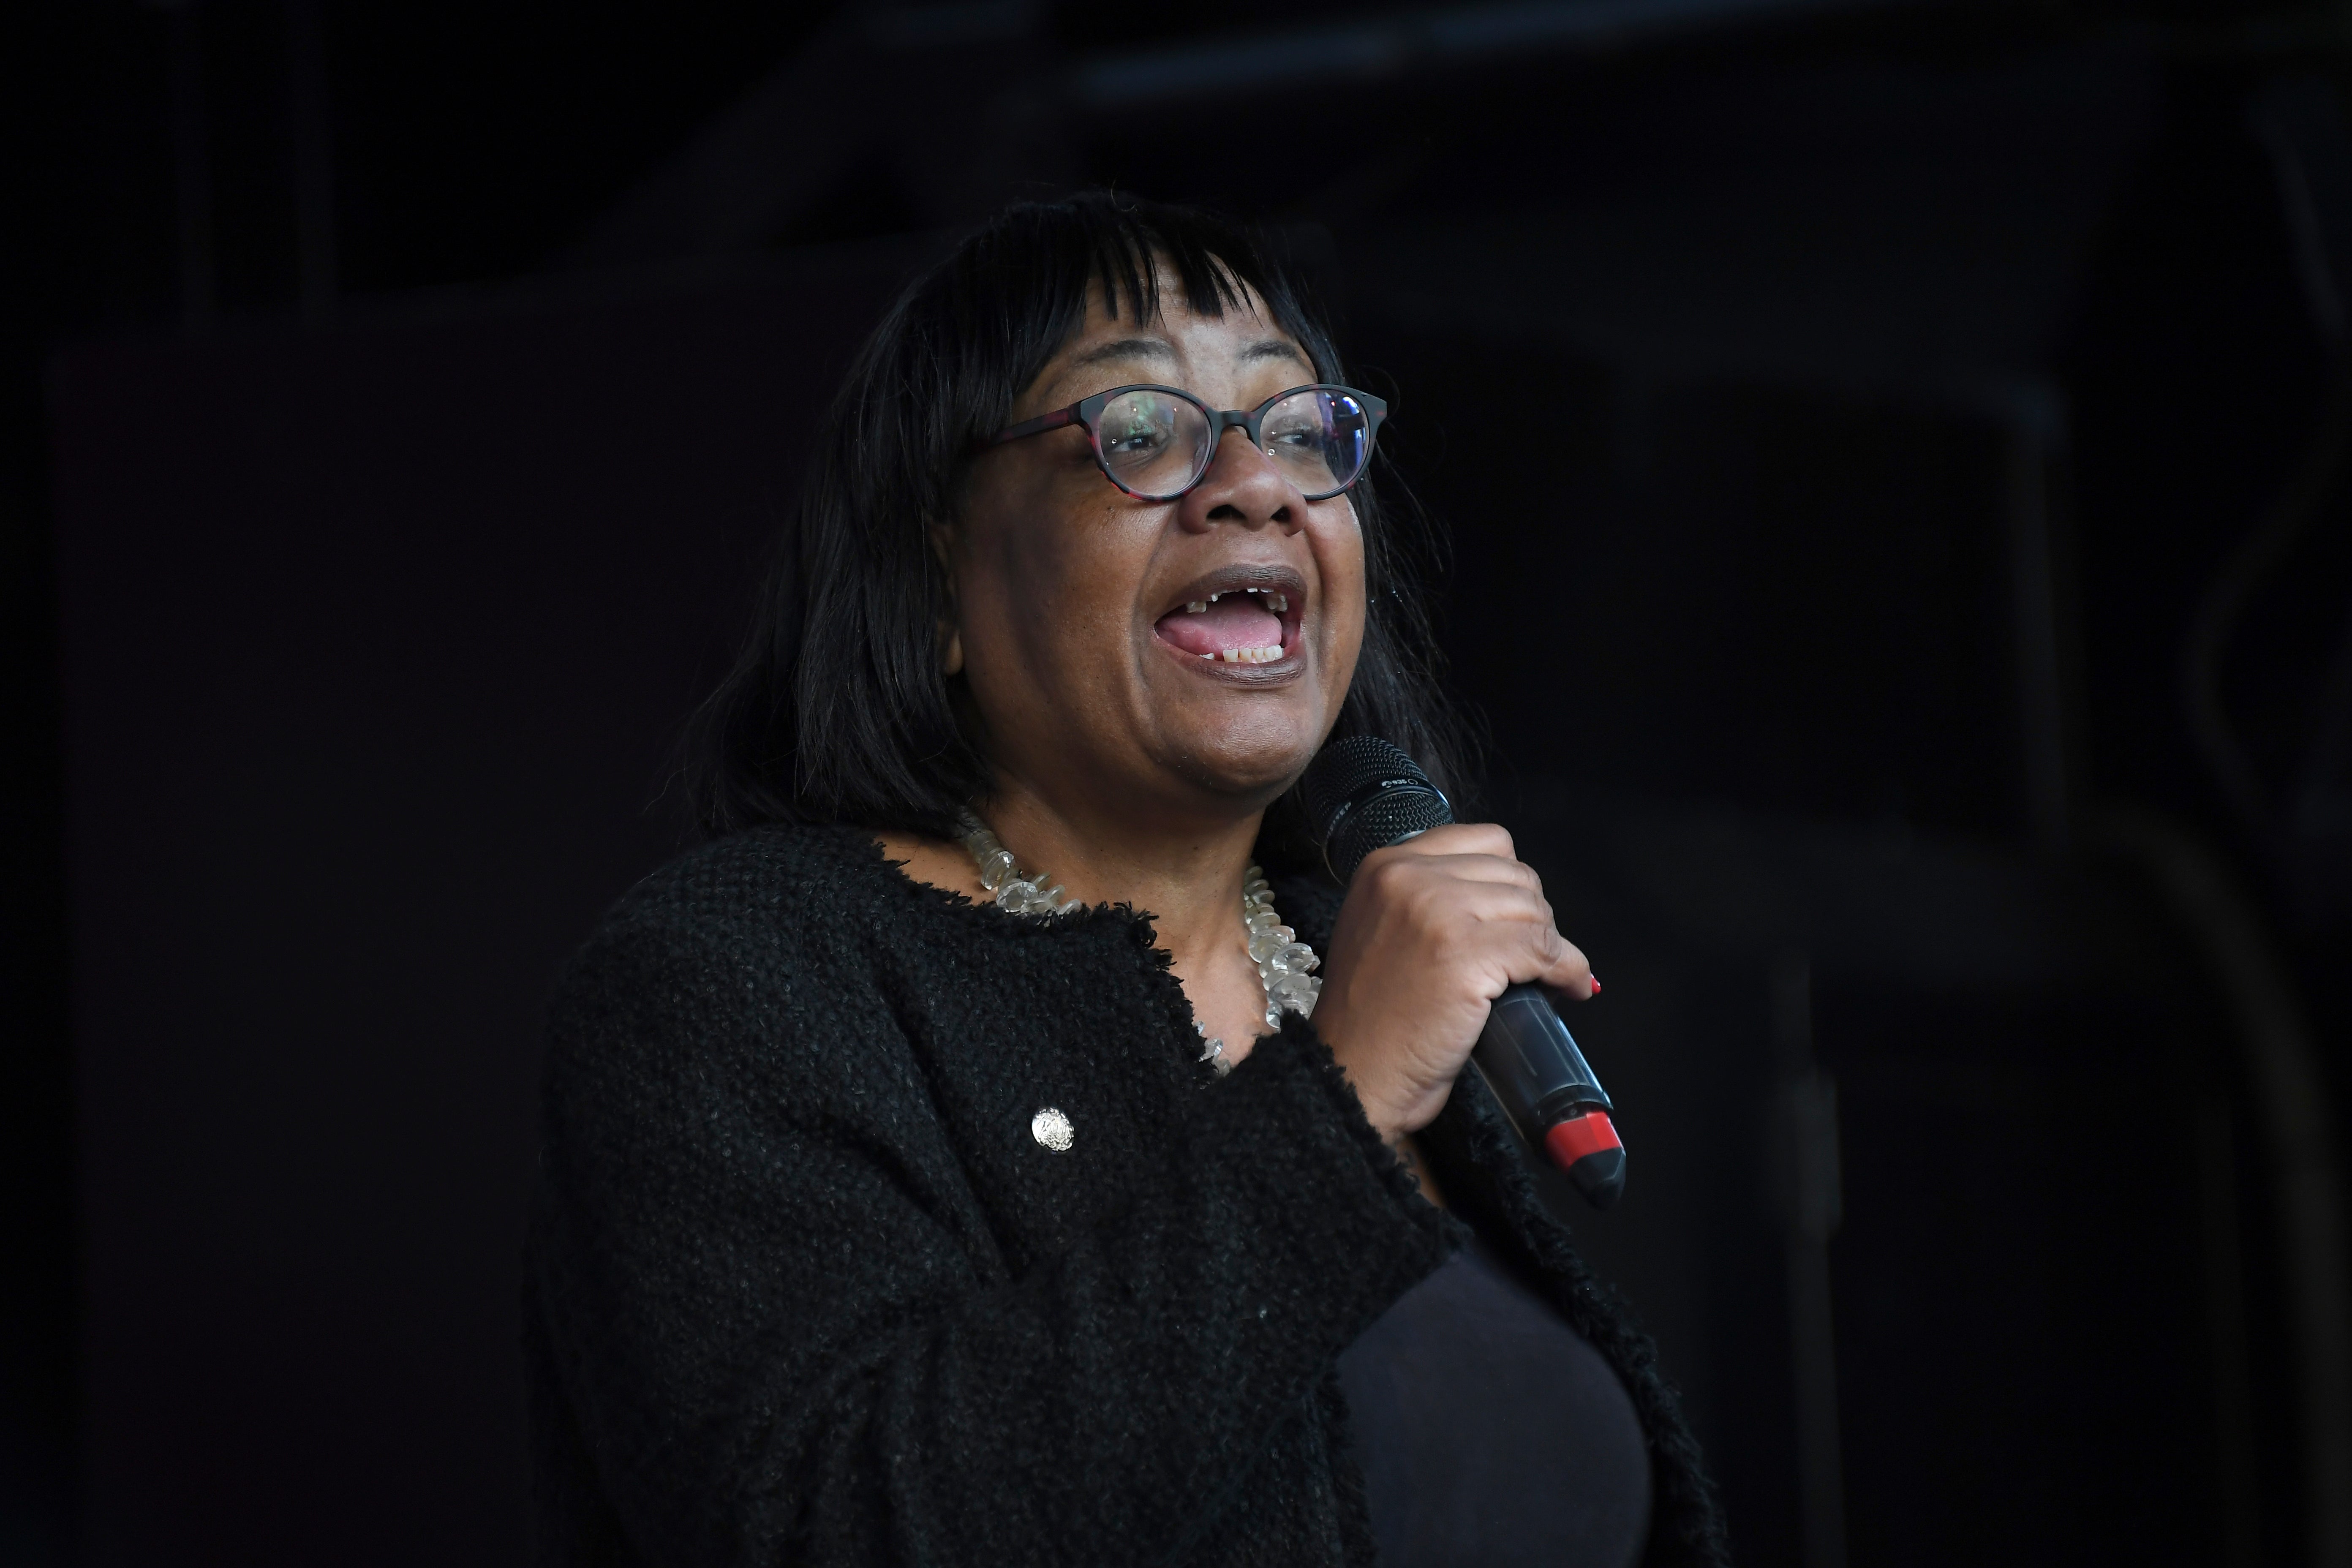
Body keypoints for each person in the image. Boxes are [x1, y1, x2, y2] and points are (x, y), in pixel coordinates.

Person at [525, 191, 1727, 1568]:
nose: (1259, 482)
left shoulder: (1373, 965)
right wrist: (1335, 1110)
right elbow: (835, 1528)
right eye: (1141, 433)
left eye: (1297, 427)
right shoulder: (732, 982)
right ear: (936, 581)